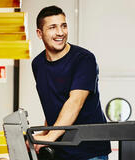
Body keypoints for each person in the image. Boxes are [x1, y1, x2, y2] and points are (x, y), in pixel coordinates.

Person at [31, 5, 111, 160]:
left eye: (64, 26)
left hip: (89, 151)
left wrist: (50, 136)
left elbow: (75, 102)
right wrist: (46, 133)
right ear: (39, 33)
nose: (60, 32)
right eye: (53, 27)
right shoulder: (38, 64)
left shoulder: (84, 60)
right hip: (61, 150)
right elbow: (53, 103)